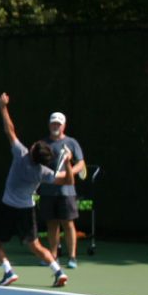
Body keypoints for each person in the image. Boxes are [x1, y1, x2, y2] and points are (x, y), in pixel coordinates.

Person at [0, 93, 76, 287]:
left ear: (32, 151)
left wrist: (3, 107)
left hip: (7, 207)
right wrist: (68, 162)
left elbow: (9, 130)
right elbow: (69, 180)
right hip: (27, 211)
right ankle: (58, 272)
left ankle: (8, 271)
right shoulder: (43, 172)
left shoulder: (20, 154)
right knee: (36, 246)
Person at [38, 111, 86, 268]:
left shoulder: (71, 143)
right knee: (51, 224)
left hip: (66, 192)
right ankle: (53, 257)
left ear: (64, 126)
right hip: (47, 191)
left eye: (58, 124)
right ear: (49, 125)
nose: (55, 126)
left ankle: (72, 257)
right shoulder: (43, 143)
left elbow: (81, 164)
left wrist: (67, 173)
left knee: (68, 223)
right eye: (53, 123)